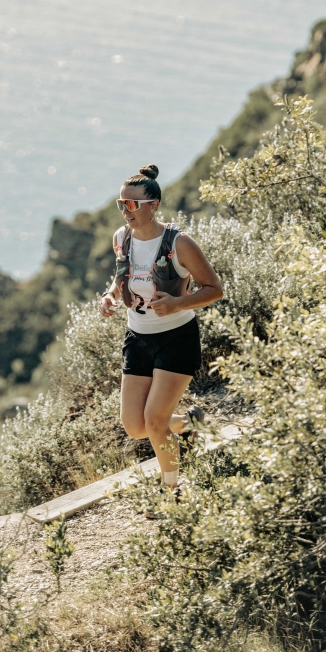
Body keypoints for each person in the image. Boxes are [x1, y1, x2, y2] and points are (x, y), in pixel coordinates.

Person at [99, 164, 223, 515]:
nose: (126, 211)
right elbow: (122, 278)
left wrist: (178, 303)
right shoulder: (120, 238)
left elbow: (215, 289)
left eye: (132, 205)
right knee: (136, 427)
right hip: (137, 338)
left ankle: (171, 494)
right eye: (121, 204)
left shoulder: (179, 243)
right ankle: (189, 423)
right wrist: (110, 297)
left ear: (153, 205)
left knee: (154, 421)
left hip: (177, 339)